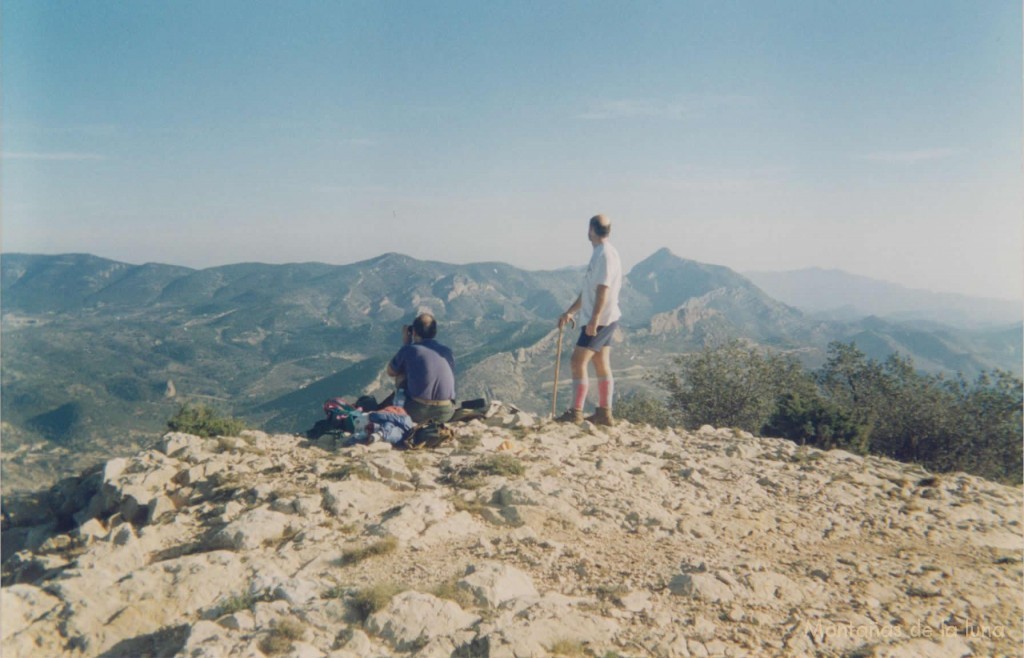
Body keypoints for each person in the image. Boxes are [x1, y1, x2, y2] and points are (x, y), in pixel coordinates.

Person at [556, 214, 623, 426]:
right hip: (606, 317)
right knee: (601, 362)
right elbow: (590, 292)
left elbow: (603, 289)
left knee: (577, 361)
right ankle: (604, 413)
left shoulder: (604, 255)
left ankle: (576, 412)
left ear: (591, 230)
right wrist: (571, 312)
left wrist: (593, 320)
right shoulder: (604, 253)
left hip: (600, 319)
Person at [387, 313, 456, 423]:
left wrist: (406, 344)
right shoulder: (447, 351)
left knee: (400, 374)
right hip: (446, 412)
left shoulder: (410, 350)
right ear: (435, 332)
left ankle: (398, 408)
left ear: (413, 332)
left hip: (418, 412)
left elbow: (390, 371)